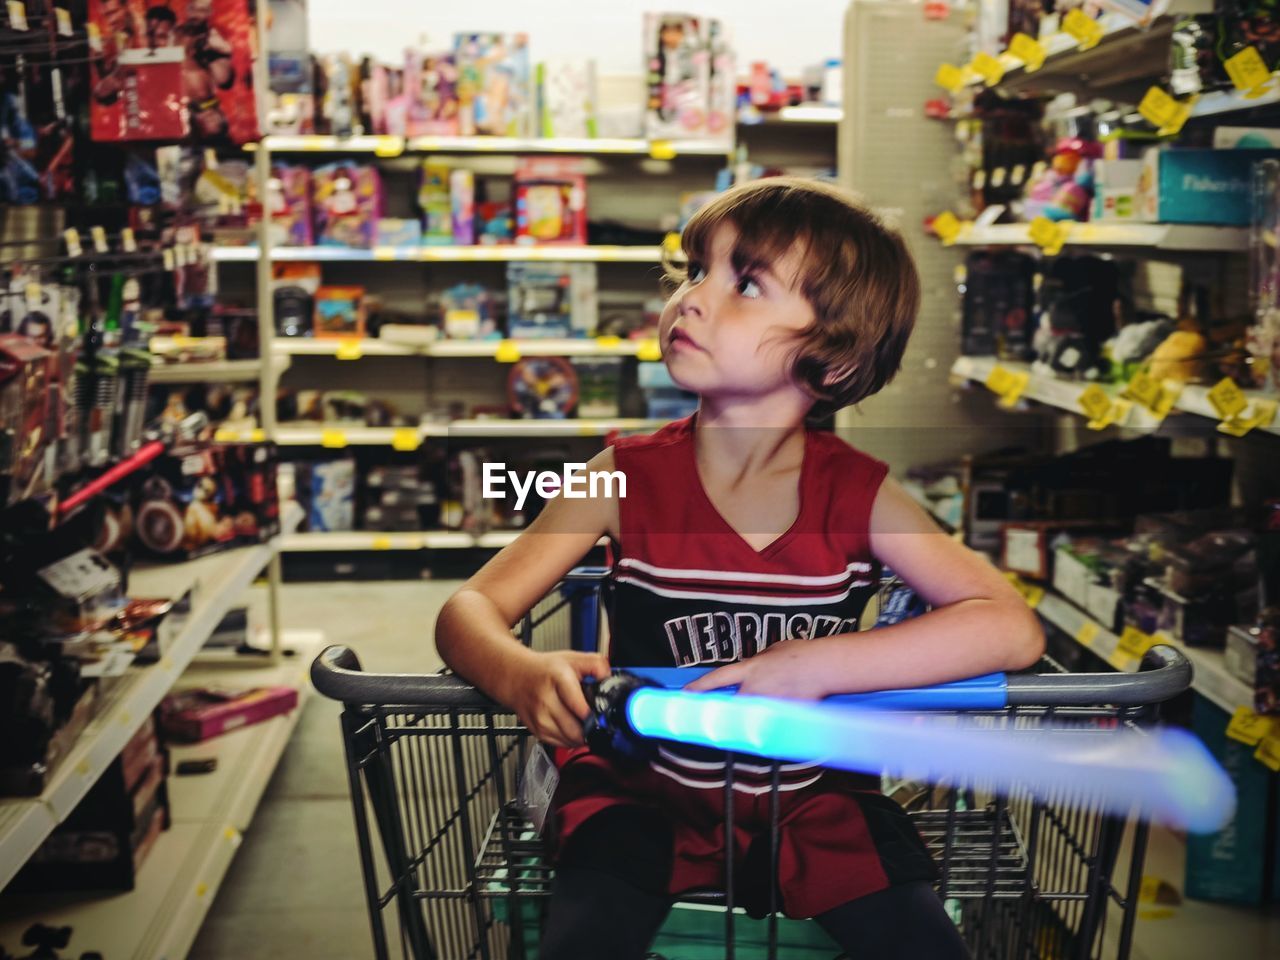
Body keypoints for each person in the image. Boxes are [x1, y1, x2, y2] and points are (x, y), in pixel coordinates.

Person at [435, 176, 1045, 960]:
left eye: (745, 282)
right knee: (586, 928)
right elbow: (470, 609)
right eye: (695, 270)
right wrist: (517, 672)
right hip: (640, 792)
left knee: (916, 930)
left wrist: (820, 663)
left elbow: (1007, 625)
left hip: (811, 798)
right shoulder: (618, 476)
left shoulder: (860, 496)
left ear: (833, 347)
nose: (690, 299)